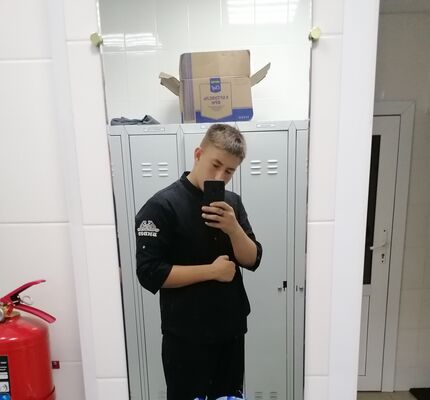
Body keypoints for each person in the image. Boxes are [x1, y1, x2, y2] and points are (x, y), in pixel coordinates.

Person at [135, 123, 263, 400]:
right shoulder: (162, 206)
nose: (220, 176)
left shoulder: (232, 203)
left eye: (229, 171)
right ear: (198, 154)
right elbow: (149, 273)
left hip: (230, 331)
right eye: (215, 165)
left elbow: (253, 259)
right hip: (186, 336)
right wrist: (212, 271)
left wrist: (234, 228)